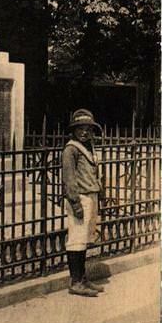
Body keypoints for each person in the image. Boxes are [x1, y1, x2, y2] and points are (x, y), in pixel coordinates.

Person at [62, 109, 105, 297]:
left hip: (90, 197)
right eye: (80, 129)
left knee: (85, 239)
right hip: (79, 198)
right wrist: (76, 204)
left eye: (88, 129)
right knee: (76, 240)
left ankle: (83, 278)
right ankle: (76, 282)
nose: (85, 132)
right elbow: (69, 180)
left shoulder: (88, 147)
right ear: (74, 130)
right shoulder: (71, 150)